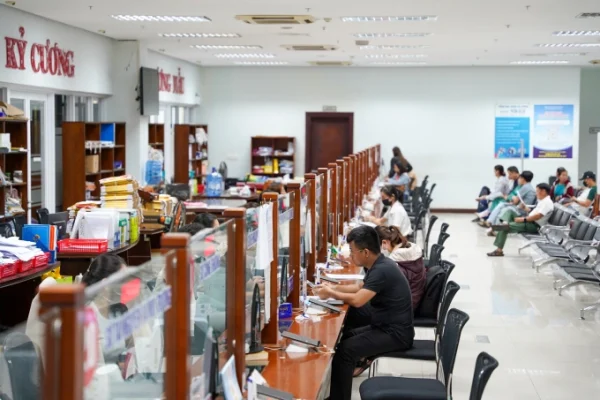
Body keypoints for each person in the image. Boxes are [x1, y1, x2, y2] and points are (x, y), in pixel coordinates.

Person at [314, 226, 414, 400]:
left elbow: (358, 300)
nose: (351, 256)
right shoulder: (378, 264)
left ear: (365, 252)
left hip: (396, 334)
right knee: (345, 337)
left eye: (352, 251)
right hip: (384, 325)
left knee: (345, 351)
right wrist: (332, 287)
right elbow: (360, 287)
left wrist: (331, 293)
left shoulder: (382, 270)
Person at [487, 183, 554, 257]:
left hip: (533, 226)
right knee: (509, 211)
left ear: (543, 191)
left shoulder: (547, 203)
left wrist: (523, 219)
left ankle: (499, 251)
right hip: (529, 221)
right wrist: (526, 209)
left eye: (537, 191)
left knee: (504, 228)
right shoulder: (543, 201)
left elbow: (538, 216)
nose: (536, 193)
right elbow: (535, 213)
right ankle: (504, 223)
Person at [375, 225, 425, 309]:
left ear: (385, 242)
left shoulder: (396, 264)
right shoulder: (411, 251)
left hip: (403, 308)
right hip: (414, 300)